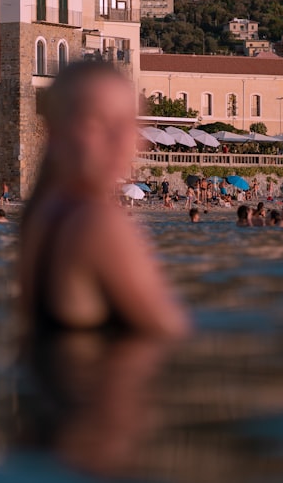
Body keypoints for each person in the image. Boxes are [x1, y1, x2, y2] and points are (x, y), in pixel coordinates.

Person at [19, 62, 190, 336]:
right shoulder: (97, 222)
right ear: (56, 131)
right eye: (96, 122)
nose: (121, 139)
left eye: (128, 123)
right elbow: (170, 330)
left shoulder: (42, 213)